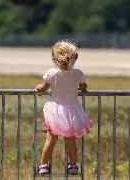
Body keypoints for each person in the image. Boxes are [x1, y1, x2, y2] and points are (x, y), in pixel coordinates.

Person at [35, 40, 92, 175]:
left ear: (55, 58)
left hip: (54, 110)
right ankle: (73, 166)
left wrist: (37, 87)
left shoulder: (52, 73)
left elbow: (43, 88)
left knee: (51, 139)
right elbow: (83, 87)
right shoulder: (77, 73)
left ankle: (43, 165)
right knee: (70, 140)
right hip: (71, 109)